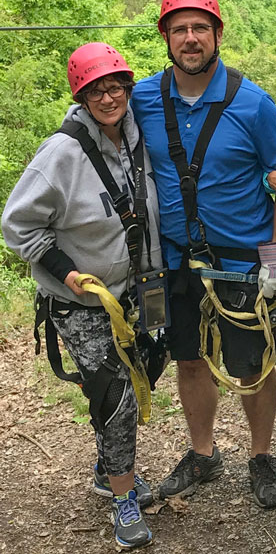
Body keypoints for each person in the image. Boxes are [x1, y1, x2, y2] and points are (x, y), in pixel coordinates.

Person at [131, 0, 276, 508]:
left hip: (240, 261)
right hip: (175, 258)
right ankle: (203, 452)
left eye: (199, 29)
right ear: (165, 36)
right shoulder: (141, 98)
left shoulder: (251, 103)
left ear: (217, 35)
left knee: (251, 364)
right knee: (187, 359)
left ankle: (260, 454)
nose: (190, 39)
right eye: (179, 29)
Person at [2, 43, 162, 549]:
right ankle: (122, 499)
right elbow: (17, 224)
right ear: (82, 96)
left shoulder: (137, 137)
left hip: (136, 290)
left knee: (145, 372)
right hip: (83, 301)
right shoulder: (61, 154)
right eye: (97, 90)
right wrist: (67, 273)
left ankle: (105, 466)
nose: (109, 97)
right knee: (117, 399)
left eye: (116, 86)